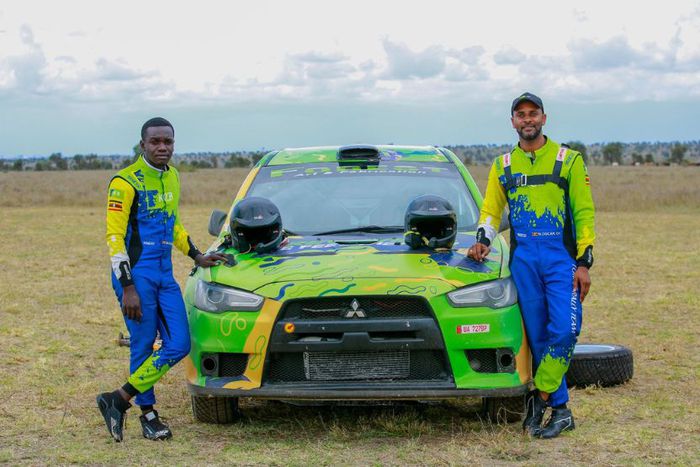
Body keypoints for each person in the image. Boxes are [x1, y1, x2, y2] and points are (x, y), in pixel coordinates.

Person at [468, 93, 595, 439]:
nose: (527, 119)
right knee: (538, 338)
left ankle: (540, 398)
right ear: (513, 122)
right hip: (523, 261)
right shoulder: (503, 165)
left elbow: (584, 212)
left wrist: (584, 261)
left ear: (544, 118)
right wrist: (482, 240)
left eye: (533, 113)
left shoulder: (569, 160)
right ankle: (562, 410)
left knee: (565, 331)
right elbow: (491, 211)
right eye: (521, 114)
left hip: (561, 260)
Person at [97, 117, 226, 442]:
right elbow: (114, 237)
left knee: (179, 343)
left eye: (167, 141)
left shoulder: (173, 177)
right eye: (155, 141)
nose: (162, 147)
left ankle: (118, 399)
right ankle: (149, 415)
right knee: (143, 344)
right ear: (143, 144)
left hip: (164, 275)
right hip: (136, 276)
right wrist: (127, 286)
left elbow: (174, 224)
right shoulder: (124, 182)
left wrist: (196, 255)